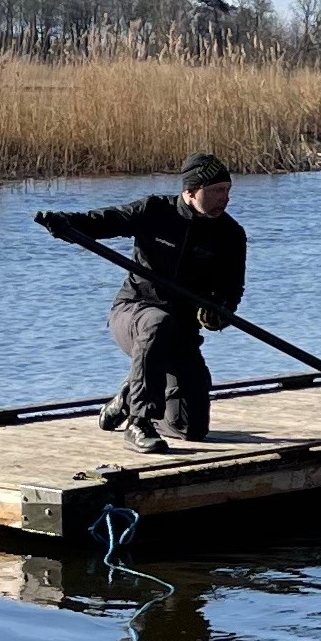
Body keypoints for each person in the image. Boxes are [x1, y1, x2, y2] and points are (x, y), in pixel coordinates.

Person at [35, 155, 245, 451]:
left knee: (192, 429)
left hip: (181, 332)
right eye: (215, 191)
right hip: (133, 314)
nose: (224, 199)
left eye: (227, 190)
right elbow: (103, 221)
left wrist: (219, 312)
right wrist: (66, 223)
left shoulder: (231, 235)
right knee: (158, 322)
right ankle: (139, 423)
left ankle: (129, 395)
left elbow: (231, 291)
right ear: (190, 191)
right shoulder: (154, 211)